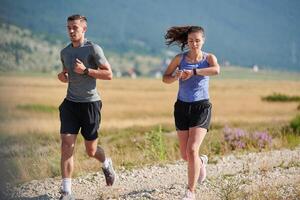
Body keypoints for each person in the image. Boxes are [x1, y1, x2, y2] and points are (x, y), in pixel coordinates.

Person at [57, 14, 115, 200]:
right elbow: (66, 73)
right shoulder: (65, 52)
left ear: (84, 29)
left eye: (75, 27)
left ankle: (106, 163)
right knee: (67, 145)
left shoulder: (93, 49)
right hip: (70, 104)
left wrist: (87, 71)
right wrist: (63, 77)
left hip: (90, 104)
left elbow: (109, 74)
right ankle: (66, 192)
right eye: (68, 28)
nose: (71, 31)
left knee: (91, 151)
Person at [162, 26, 220, 200]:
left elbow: (216, 70)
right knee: (185, 155)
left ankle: (191, 192)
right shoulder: (179, 59)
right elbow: (165, 78)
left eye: (197, 40)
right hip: (181, 107)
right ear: (186, 42)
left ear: (203, 41)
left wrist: (193, 71)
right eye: (190, 41)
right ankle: (201, 162)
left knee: (193, 149)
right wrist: (177, 75)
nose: (194, 44)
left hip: (201, 107)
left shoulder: (208, 58)